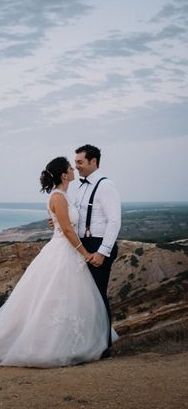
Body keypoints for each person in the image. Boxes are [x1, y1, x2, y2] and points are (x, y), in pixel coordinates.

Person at [0, 156, 110, 367]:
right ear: (63, 174)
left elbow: (66, 223)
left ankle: (70, 341)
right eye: (70, 167)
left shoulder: (65, 196)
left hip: (67, 251)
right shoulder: (58, 197)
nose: (73, 170)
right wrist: (85, 253)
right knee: (53, 298)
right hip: (62, 251)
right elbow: (67, 230)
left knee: (65, 298)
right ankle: (47, 346)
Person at [74, 144, 121, 354]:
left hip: (98, 245)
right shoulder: (82, 186)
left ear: (93, 161)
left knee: (98, 297)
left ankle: (104, 347)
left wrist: (103, 252)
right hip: (84, 245)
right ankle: (90, 343)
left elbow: (114, 221)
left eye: (80, 162)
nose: (76, 167)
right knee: (85, 297)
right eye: (75, 162)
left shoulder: (105, 185)